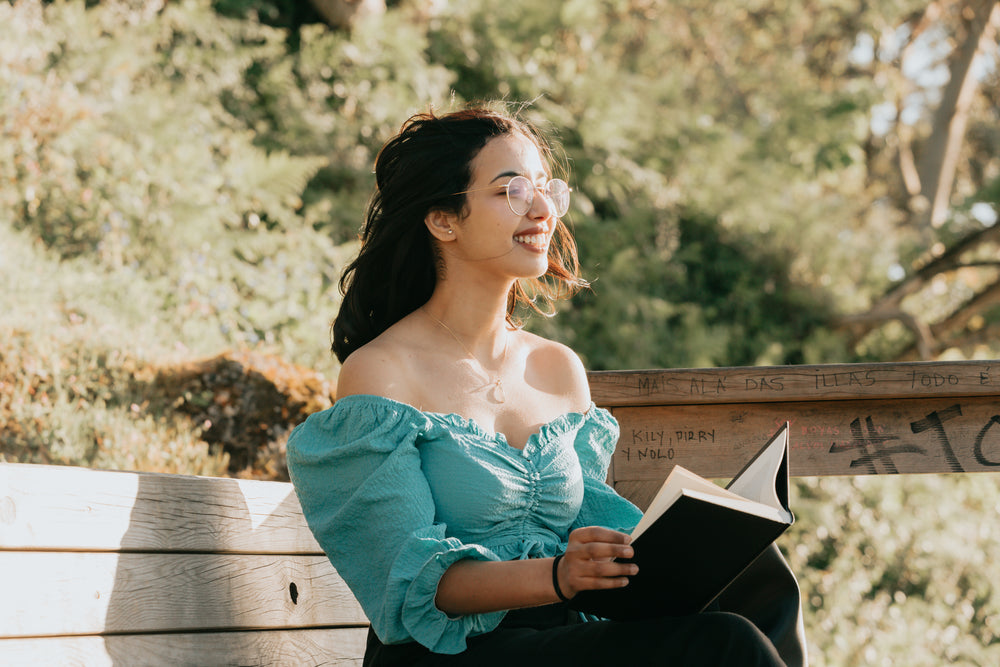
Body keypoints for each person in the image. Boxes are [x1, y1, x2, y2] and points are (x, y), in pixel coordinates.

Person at [286, 105, 807, 666]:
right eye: (510, 192)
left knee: (758, 584)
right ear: (444, 219)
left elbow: (594, 526)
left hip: (561, 640)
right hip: (451, 651)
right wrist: (558, 575)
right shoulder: (383, 372)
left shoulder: (558, 369)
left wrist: (689, 543)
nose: (541, 210)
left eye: (545, 189)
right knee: (725, 646)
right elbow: (412, 581)